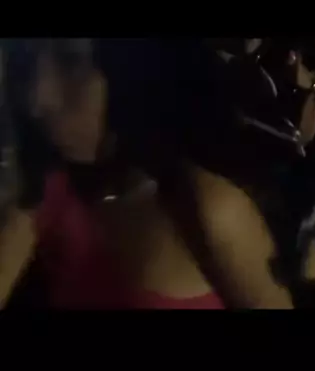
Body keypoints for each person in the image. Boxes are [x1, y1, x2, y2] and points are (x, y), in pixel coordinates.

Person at [0, 38, 294, 310]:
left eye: (71, 60)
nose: (37, 99)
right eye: (27, 65)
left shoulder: (204, 210)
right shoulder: (50, 190)